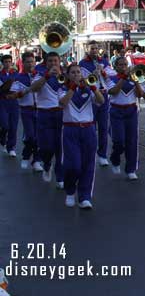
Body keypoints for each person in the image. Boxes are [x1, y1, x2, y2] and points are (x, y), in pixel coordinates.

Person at [59, 63, 105, 208]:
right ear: (67, 75)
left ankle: (85, 196)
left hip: (88, 129)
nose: (76, 75)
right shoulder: (62, 89)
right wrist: (73, 88)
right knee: (73, 165)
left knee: (88, 164)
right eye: (72, 72)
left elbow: (101, 101)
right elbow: (62, 103)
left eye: (78, 72)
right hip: (70, 130)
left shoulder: (88, 89)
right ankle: (70, 191)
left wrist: (92, 87)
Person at [30, 52, 65, 188]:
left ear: (59, 61)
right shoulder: (39, 74)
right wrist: (47, 76)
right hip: (44, 114)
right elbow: (34, 88)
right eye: (50, 61)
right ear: (46, 62)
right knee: (47, 146)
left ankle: (60, 176)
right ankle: (46, 164)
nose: (53, 64)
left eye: (55, 61)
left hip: (61, 113)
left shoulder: (65, 75)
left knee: (60, 147)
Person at [105, 57, 145, 180]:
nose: (123, 67)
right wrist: (123, 78)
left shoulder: (134, 78)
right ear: (115, 67)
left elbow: (140, 94)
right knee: (119, 141)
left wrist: (136, 80)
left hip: (131, 110)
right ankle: (115, 159)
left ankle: (131, 169)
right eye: (120, 65)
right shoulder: (111, 78)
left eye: (125, 64)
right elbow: (113, 91)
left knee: (132, 141)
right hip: (117, 111)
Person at [79, 40, 116, 166]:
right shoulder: (82, 63)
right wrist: (94, 74)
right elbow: (83, 81)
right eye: (92, 49)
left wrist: (104, 71)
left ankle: (102, 154)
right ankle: (89, 152)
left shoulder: (103, 61)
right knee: (91, 127)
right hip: (92, 96)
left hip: (104, 94)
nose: (94, 51)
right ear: (87, 49)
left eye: (96, 48)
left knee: (104, 127)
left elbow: (112, 75)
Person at [9, 52, 42, 171]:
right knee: (31, 136)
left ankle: (36, 161)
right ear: (23, 63)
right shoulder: (18, 78)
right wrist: (25, 91)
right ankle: (26, 155)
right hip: (26, 110)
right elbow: (13, 95)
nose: (30, 64)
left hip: (40, 110)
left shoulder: (39, 75)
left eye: (32, 61)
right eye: (27, 62)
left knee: (39, 137)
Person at [0, 54, 18, 157]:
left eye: (9, 62)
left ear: (12, 63)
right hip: (2, 102)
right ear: (2, 63)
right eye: (5, 62)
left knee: (13, 126)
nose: (7, 64)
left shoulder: (16, 74)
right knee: (5, 125)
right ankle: (2, 138)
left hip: (14, 102)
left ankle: (11, 147)